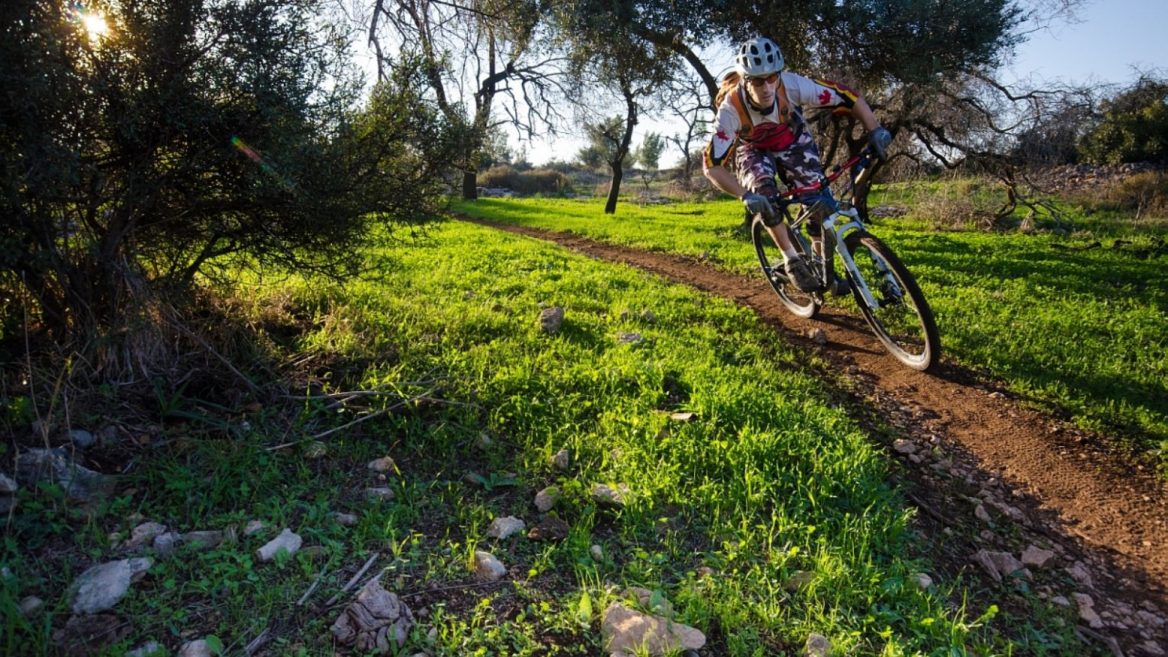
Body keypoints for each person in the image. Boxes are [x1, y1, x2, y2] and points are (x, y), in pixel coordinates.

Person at [703, 36, 892, 292]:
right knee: (765, 198)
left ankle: (823, 267)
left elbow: (847, 97)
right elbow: (712, 165)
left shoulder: (792, 85)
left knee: (819, 204)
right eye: (758, 81)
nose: (768, 87)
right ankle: (791, 259)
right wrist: (744, 195)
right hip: (753, 149)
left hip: (792, 140)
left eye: (772, 78)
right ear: (746, 81)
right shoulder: (730, 110)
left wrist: (875, 130)